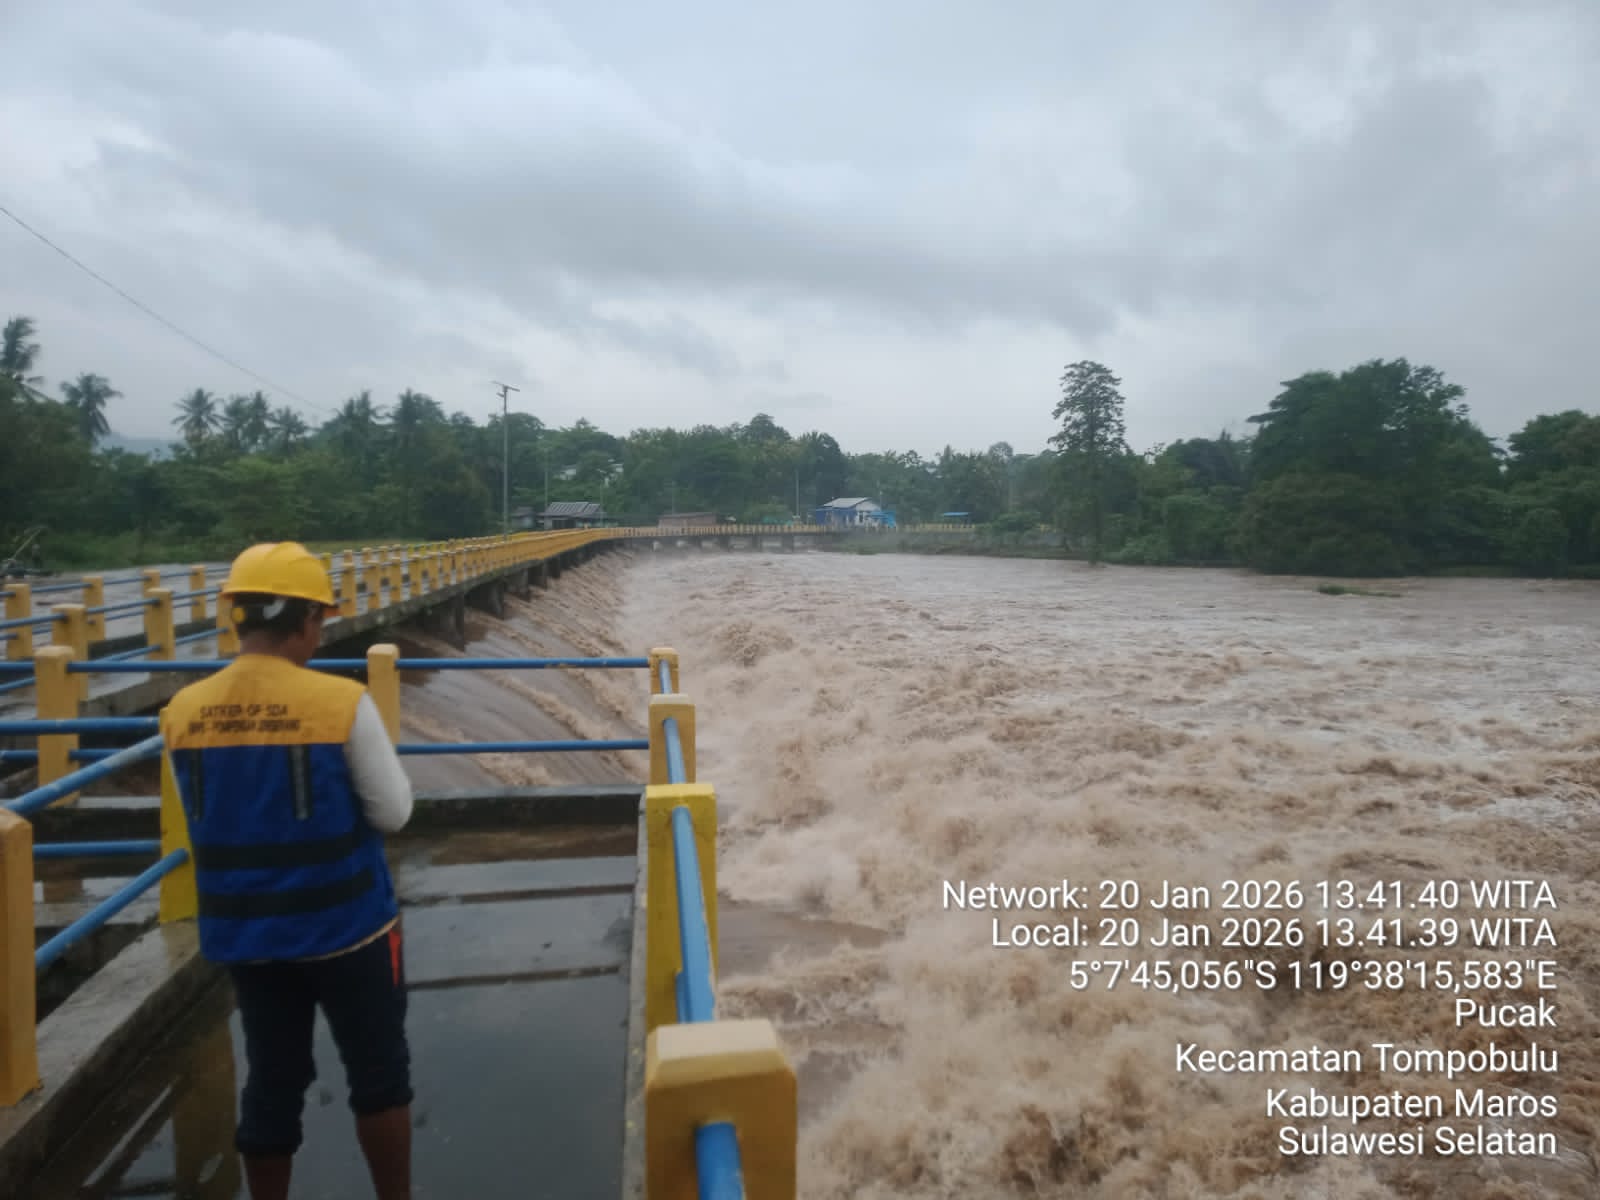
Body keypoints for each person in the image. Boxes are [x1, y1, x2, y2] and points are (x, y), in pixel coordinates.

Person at [159, 542, 416, 1200]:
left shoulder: (184, 710)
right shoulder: (340, 702)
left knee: (273, 1079)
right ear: (307, 620)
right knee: (379, 1075)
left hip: (246, 934)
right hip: (350, 928)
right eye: (320, 619)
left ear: (237, 616)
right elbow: (392, 813)